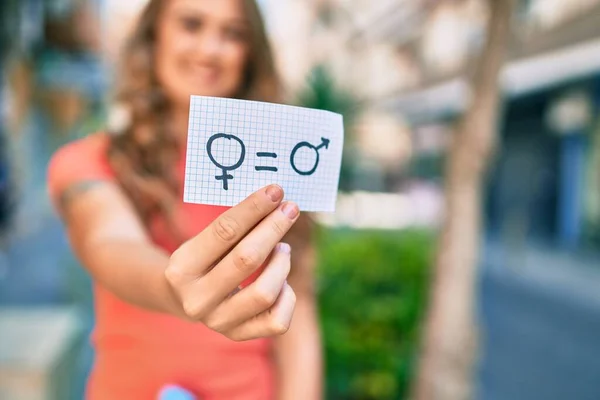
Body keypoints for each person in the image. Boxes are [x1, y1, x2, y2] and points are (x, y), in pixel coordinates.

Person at [47, 1, 322, 399]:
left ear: (250, 54)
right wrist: (177, 287)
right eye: (191, 25)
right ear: (153, 37)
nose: (211, 49)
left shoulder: (277, 169)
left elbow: (300, 321)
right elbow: (109, 242)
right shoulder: (89, 161)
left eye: (234, 33)